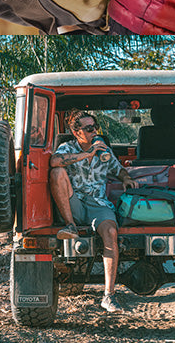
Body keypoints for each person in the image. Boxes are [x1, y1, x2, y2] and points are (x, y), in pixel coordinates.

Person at [50, 111, 137, 313]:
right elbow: (54, 162)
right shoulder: (67, 147)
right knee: (57, 172)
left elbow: (118, 168)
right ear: (75, 131)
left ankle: (108, 295)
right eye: (88, 129)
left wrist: (125, 178)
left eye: (95, 127)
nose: (94, 132)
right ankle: (70, 226)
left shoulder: (103, 150)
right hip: (75, 202)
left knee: (110, 232)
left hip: (98, 202)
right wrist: (88, 153)